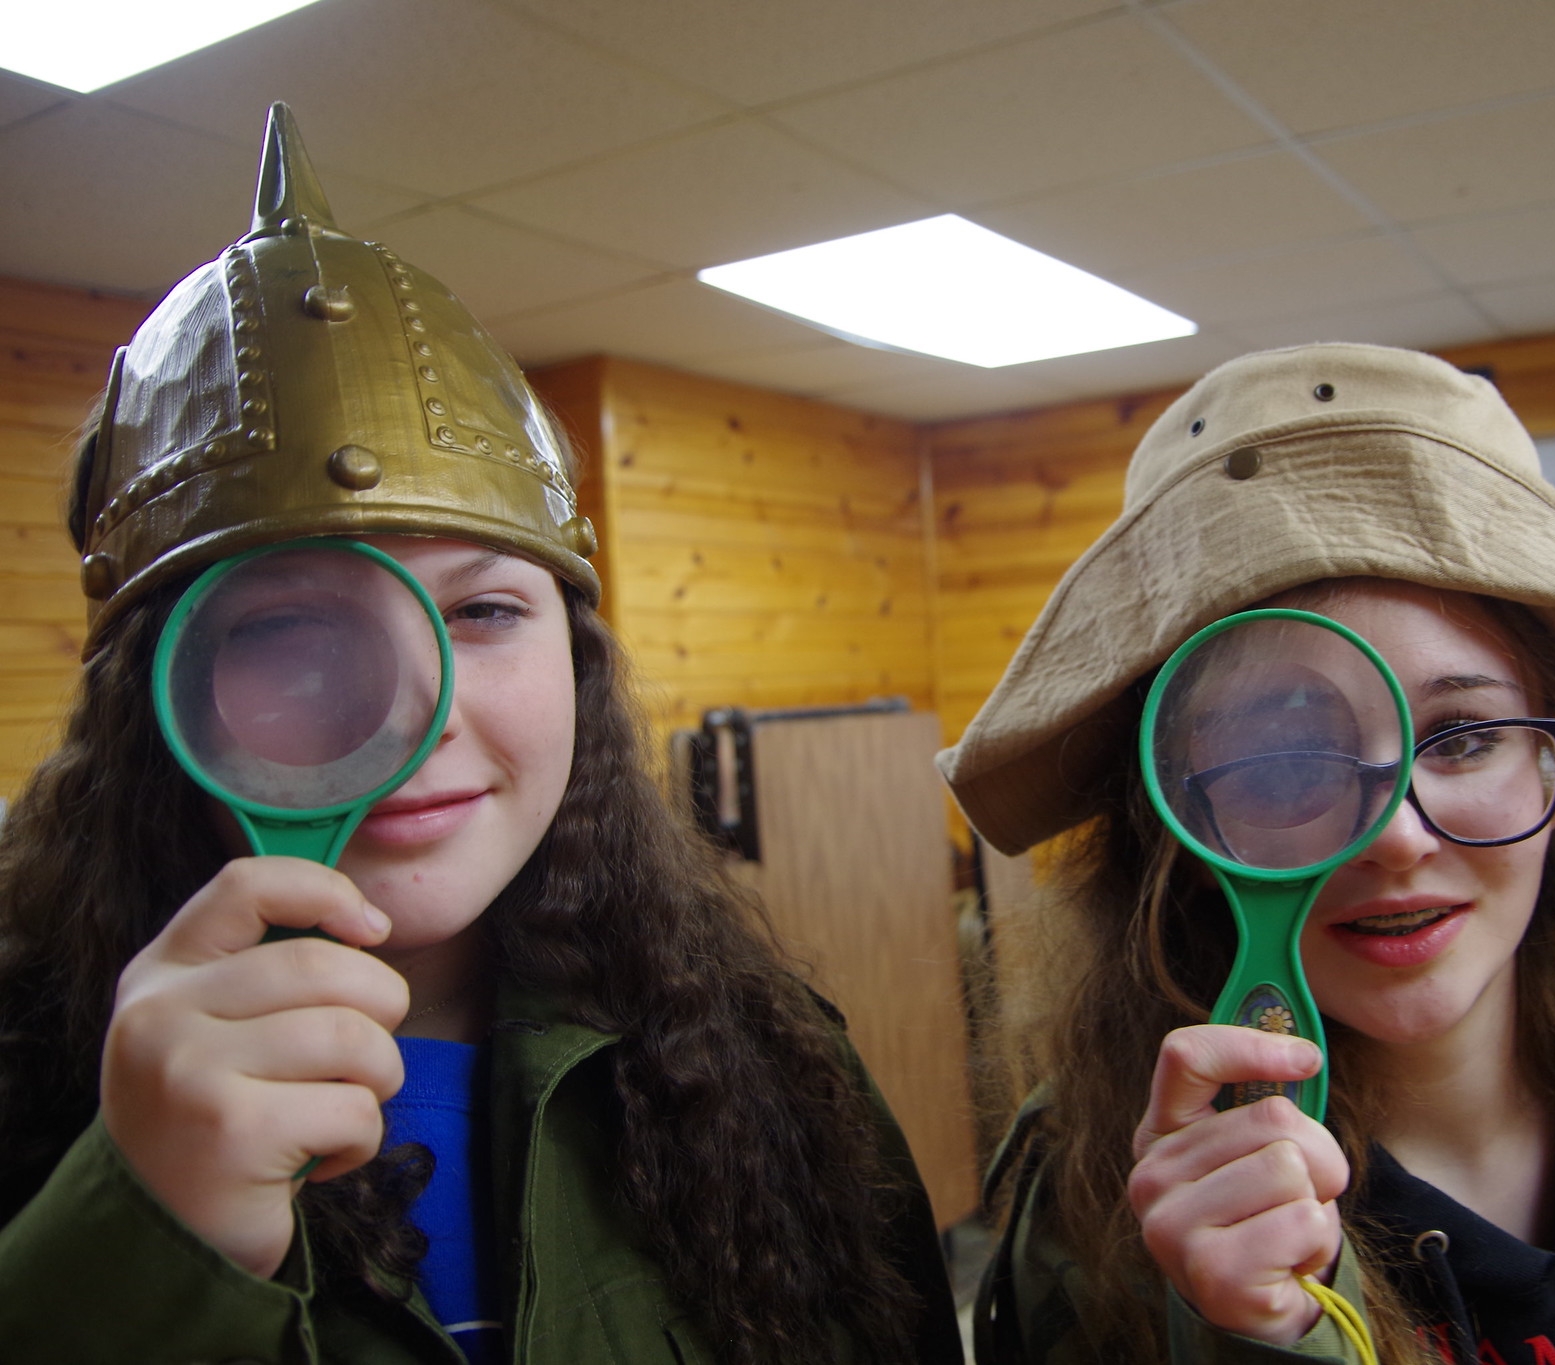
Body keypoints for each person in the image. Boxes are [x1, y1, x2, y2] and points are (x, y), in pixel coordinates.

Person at [0, 105, 962, 1365]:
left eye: (486, 609)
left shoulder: (767, 1057)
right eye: (293, 631)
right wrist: (132, 1247)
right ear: (156, 699)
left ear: (577, 663)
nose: (420, 712)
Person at [939, 344, 1555, 1365]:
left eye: (1460, 739)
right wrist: (1260, 1341)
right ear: (1177, 822)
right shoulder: (1103, 1219)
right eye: (1284, 760)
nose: (1398, 838)